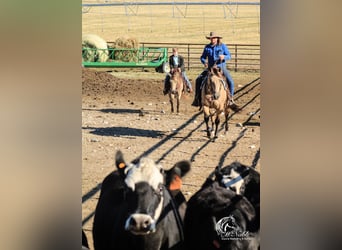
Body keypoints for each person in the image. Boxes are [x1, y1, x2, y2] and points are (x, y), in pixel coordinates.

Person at [192, 31, 235, 107]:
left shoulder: (222, 46)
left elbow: (229, 55)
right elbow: (202, 57)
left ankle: (230, 98)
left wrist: (224, 57)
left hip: (220, 67)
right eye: (211, 38)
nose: (212, 39)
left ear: (217, 38)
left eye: (214, 38)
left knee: (230, 81)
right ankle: (197, 99)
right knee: (198, 79)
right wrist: (204, 62)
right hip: (210, 68)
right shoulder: (207, 47)